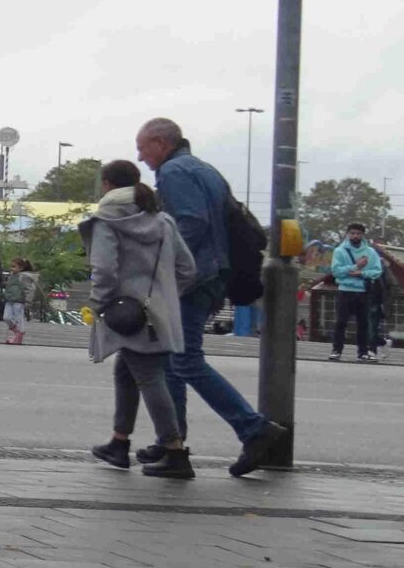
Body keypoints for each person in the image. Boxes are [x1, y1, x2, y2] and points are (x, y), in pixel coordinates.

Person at [135, 117, 293, 476]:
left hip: (193, 277)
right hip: (214, 273)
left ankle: (254, 428)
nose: (141, 157)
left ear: (160, 142)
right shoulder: (206, 170)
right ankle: (171, 445)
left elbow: (191, 223)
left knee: (186, 360)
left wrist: (162, 264)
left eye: (143, 147)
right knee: (174, 359)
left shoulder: (174, 172)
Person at [83, 159, 201, 479]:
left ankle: (175, 451)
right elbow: (188, 270)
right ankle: (119, 443)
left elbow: (104, 270)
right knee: (127, 371)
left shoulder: (106, 220)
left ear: (107, 185)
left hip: (126, 314)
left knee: (148, 378)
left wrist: (99, 303)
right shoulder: (163, 221)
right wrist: (163, 297)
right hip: (157, 314)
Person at [328, 220, 383, 360]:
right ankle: (336, 350)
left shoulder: (370, 252)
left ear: (363, 235)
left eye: (358, 233)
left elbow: (377, 271)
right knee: (341, 322)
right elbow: (336, 271)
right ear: (348, 234)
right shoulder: (339, 251)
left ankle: (362, 352)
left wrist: (362, 273)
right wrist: (354, 266)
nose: (355, 236)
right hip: (345, 290)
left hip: (363, 291)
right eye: (352, 233)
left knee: (363, 323)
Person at [2, 258, 36, 345]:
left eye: (14, 267)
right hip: (9, 300)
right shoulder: (11, 276)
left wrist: (28, 301)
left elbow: (29, 290)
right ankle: (18, 331)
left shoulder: (23, 277)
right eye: (11, 266)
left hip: (18, 301)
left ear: (21, 268)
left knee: (18, 318)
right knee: (6, 317)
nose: (11, 268)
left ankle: (19, 335)